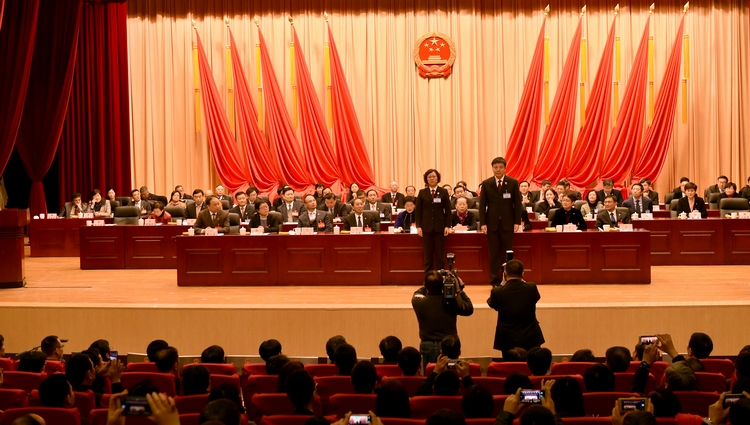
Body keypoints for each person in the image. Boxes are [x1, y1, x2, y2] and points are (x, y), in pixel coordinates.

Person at [412, 270, 473, 365]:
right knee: (449, 373)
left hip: (427, 345)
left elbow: (419, 292)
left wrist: (434, 279)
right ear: (442, 284)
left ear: (424, 284)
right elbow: (469, 309)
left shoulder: (418, 301)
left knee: (428, 372)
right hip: (449, 346)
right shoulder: (451, 302)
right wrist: (458, 288)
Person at [487, 259, 544, 357]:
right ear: (522, 273)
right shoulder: (531, 288)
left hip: (507, 339)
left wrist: (502, 284)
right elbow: (536, 298)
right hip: (530, 337)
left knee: (509, 365)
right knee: (532, 364)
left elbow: (491, 303)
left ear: (505, 274)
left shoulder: (497, 292)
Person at [478, 157, 522, 284]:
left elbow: (517, 204)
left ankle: (508, 279)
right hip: (492, 224)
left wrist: (517, 222)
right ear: (492, 168)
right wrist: (483, 223)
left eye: (500, 167)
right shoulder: (486, 183)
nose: (498, 170)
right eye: (495, 167)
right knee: (494, 254)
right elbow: (482, 205)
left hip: (508, 224)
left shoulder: (512, 182)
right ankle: (494, 280)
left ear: (505, 168)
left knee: (507, 253)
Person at [415, 169, 452, 271]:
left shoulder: (443, 192)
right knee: (428, 255)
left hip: (440, 228)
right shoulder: (422, 192)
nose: (432, 178)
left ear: (438, 178)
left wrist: (447, 226)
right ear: (426, 179)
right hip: (426, 228)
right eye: (429, 177)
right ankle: (428, 277)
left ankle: (440, 276)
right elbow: (418, 211)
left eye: (434, 176)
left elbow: (448, 211)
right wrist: (418, 226)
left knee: (440, 255)